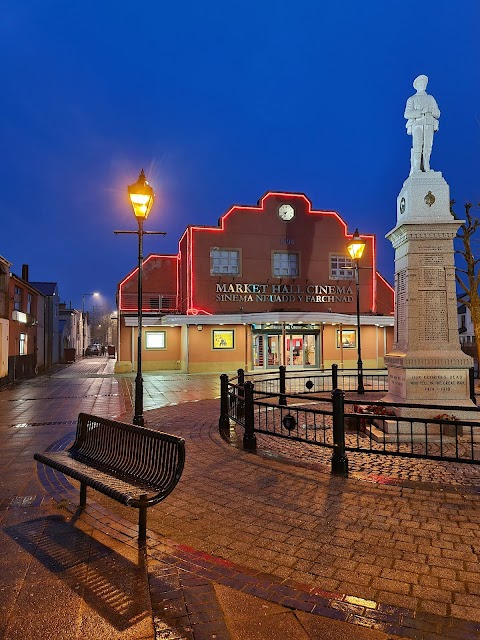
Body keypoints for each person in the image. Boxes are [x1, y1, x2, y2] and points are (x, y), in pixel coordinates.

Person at [404, 75, 440, 174]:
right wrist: (420, 111)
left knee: (428, 146)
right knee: (417, 145)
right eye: (420, 83)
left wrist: (431, 111)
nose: (423, 84)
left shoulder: (430, 98)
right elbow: (407, 114)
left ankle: (426, 166)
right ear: (416, 85)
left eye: (424, 83)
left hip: (429, 124)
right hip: (417, 125)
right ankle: (416, 167)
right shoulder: (412, 99)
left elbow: (438, 113)